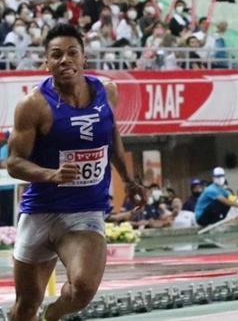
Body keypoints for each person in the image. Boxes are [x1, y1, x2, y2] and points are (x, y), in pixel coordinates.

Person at [5, 23, 146, 321]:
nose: (65, 60)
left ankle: (52, 316)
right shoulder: (33, 106)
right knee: (25, 305)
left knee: (83, 288)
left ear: (84, 58)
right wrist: (50, 174)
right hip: (41, 211)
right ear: (47, 63)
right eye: (56, 55)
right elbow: (14, 162)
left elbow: (112, 136)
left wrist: (129, 179)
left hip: (86, 211)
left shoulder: (107, 92)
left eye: (72, 53)